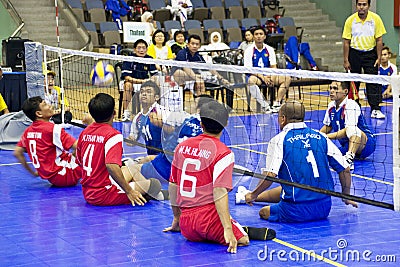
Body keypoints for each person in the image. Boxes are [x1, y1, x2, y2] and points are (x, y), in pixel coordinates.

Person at [164, 101, 276, 253]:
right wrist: (228, 228)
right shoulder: (224, 153)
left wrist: (177, 217)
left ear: (201, 124)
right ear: (226, 124)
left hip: (187, 226)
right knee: (242, 240)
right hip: (208, 219)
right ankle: (235, 229)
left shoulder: (181, 147)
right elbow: (219, 191)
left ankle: (224, 230)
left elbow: (173, 185)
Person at [241, 101, 358, 223]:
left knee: (264, 212)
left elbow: (270, 175)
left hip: (295, 211)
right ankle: (251, 196)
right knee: (289, 187)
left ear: (283, 119)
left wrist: (253, 194)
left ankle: (250, 196)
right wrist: (346, 196)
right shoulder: (321, 136)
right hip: (324, 209)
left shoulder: (279, 140)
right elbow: (345, 169)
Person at [76, 93, 162, 206]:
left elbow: (79, 159)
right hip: (103, 193)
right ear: (114, 113)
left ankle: (139, 188)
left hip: (88, 189)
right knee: (154, 184)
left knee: (134, 169)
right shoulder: (113, 135)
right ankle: (141, 192)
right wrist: (129, 191)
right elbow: (111, 165)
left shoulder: (85, 132)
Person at [124, 95, 212, 188]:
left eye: (194, 102)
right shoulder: (210, 129)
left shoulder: (185, 120)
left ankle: (120, 189)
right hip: (192, 171)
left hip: (169, 167)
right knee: (148, 158)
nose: (190, 102)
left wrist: (160, 123)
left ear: (199, 109)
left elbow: (171, 133)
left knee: (131, 170)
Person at [13, 96, 81, 187]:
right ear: (39, 113)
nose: (50, 106)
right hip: (65, 175)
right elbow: (80, 147)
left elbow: (17, 152)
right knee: (93, 146)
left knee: (74, 153)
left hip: (51, 178)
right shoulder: (52, 129)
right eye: (45, 104)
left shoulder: (28, 131)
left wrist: (33, 172)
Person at [343, 0, 386, 119]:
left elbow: (379, 40)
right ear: (356, 6)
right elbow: (346, 42)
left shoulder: (376, 19)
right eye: (359, 4)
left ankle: (375, 109)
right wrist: (346, 59)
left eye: (364, 4)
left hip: (370, 55)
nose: (361, 7)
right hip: (354, 54)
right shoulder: (350, 20)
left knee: (372, 82)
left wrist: (378, 57)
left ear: (369, 6)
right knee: (353, 82)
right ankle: (354, 108)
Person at [320, 81, 376, 170]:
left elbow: (348, 130)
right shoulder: (331, 106)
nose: (331, 91)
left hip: (366, 144)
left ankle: (349, 159)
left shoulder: (351, 105)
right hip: (346, 144)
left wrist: (325, 136)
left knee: (352, 129)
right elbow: (328, 126)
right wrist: (316, 136)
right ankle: (348, 154)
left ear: (345, 91)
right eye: (330, 88)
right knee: (326, 156)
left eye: (335, 88)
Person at [243, 26, 291, 113]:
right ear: (253, 37)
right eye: (256, 34)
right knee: (251, 81)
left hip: (268, 74)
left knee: (287, 78)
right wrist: (263, 77)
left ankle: (277, 103)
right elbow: (249, 69)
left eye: (261, 34)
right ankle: (265, 106)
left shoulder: (269, 49)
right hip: (256, 75)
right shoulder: (249, 50)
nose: (258, 36)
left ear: (264, 36)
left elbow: (273, 66)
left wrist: (272, 76)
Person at [121, 39, 158, 121]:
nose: (141, 50)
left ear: (147, 50)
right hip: (131, 82)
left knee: (158, 84)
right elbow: (127, 77)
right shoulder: (129, 58)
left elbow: (155, 75)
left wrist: (149, 80)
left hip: (144, 82)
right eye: (139, 48)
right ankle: (126, 113)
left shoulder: (149, 59)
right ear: (134, 49)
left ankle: (155, 112)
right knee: (127, 85)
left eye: (144, 48)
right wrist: (142, 81)